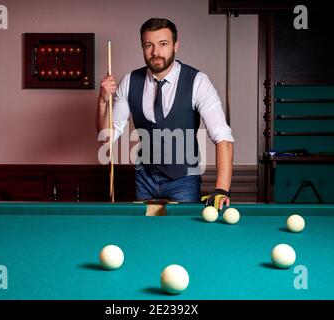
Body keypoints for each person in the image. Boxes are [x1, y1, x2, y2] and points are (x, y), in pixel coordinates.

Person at [96, 18, 234, 210]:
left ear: (175, 46)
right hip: (144, 179)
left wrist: (221, 189)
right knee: (145, 236)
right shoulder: (129, 81)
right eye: (148, 45)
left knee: (184, 236)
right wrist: (103, 101)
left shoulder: (198, 81)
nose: (156, 52)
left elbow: (222, 136)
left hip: (184, 180)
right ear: (142, 47)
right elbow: (107, 137)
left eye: (163, 44)